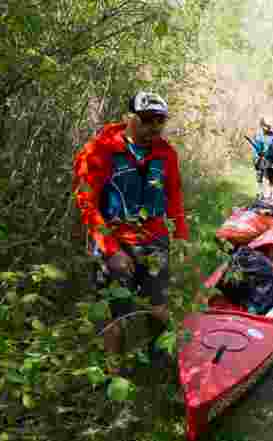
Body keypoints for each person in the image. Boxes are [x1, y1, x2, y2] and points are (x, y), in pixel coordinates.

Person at [72, 91, 189, 374]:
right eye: (148, 120)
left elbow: (173, 195)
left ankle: (158, 364)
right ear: (130, 118)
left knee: (158, 308)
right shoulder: (99, 151)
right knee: (115, 316)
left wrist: (182, 238)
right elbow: (86, 202)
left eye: (160, 121)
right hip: (115, 242)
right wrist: (111, 250)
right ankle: (115, 376)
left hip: (155, 242)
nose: (154, 127)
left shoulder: (166, 153)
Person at [251, 118, 273, 198]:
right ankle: (261, 193)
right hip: (260, 158)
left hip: (270, 158)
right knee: (259, 174)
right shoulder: (258, 135)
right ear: (261, 125)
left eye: (269, 126)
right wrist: (256, 158)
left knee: (272, 175)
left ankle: (271, 194)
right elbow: (255, 149)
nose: (268, 128)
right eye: (266, 126)